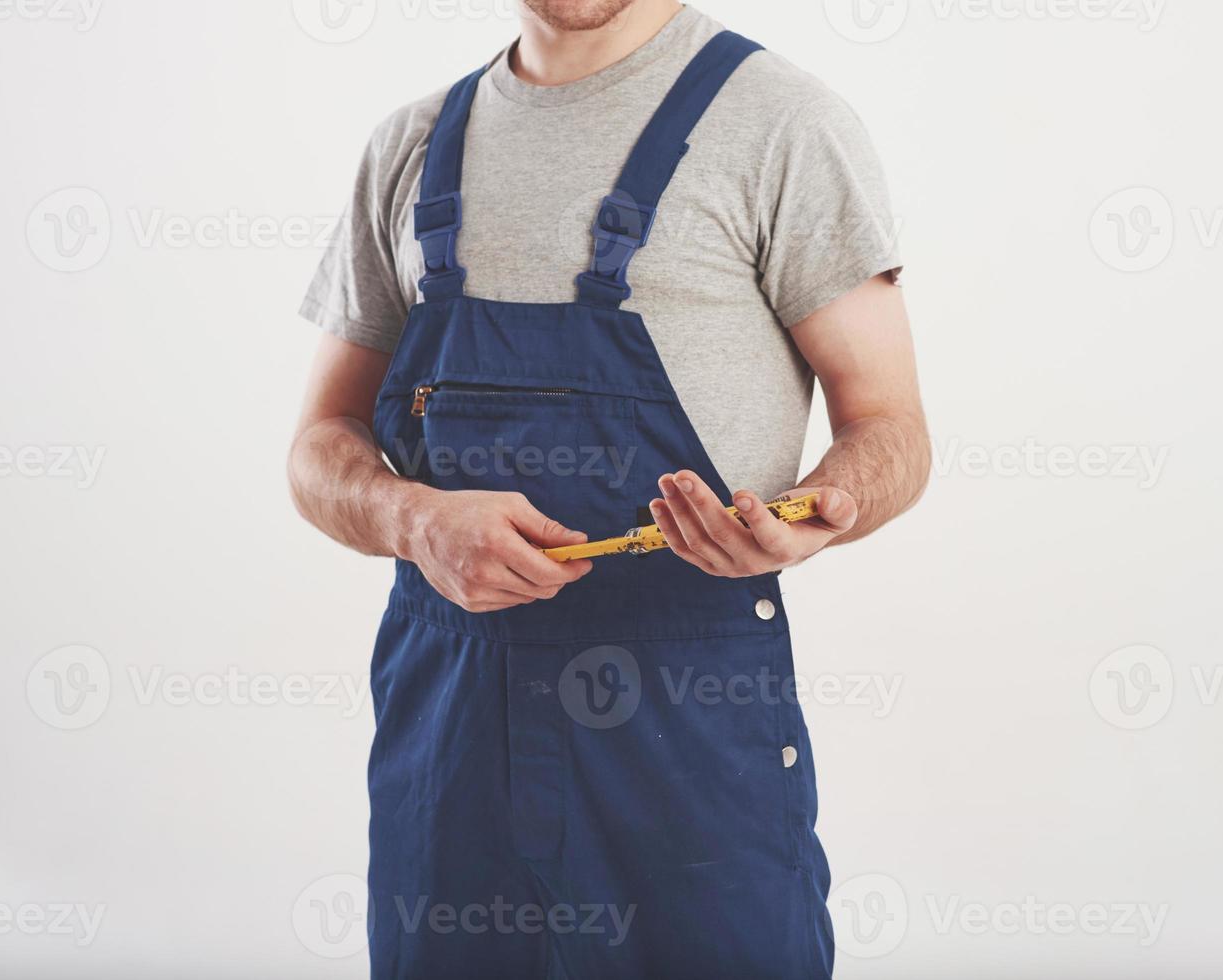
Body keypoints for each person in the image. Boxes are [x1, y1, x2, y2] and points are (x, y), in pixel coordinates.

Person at [288, 1, 930, 975]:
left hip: (686, 734)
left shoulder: (783, 124)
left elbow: (889, 427)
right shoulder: (410, 146)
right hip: (450, 737)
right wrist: (411, 517)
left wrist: (816, 515)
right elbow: (317, 446)